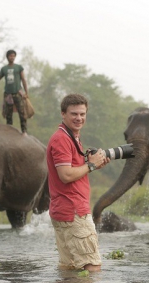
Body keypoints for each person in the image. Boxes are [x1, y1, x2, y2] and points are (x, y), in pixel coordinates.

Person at [46, 93, 110, 272]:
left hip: (64, 210)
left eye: (82, 114)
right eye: (74, 114)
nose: (79, 118)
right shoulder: (62, 139)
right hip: (73, 211)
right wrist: (91, 165)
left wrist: (94, 164)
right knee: (92, 268)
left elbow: (74, 171)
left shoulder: (71, 137)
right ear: (63, 113)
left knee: (70, 268)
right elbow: (65, 175)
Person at [0, 49, 29, 135]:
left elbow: (23, 80)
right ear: (7, 57)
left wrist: (26, 92)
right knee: (8, 114)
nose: (12, 57)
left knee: (22, 112)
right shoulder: (4, 69)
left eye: (13, 56)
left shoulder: (18, 67)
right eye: (10, 56)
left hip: (17, 93)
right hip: (8, 94)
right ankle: (9, 132)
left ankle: (24, 131)